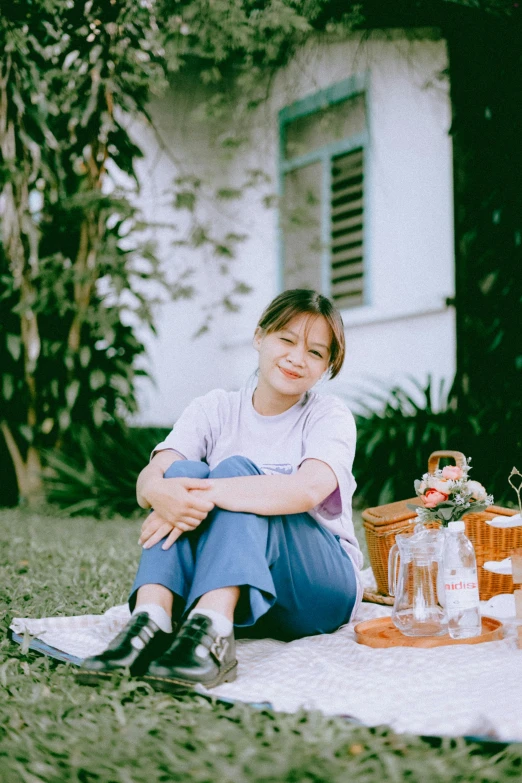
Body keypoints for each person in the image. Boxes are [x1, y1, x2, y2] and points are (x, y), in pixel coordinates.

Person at [77, 289, 363, 692]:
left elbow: (307, 490)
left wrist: (209, 491)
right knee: (182, 470)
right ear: (259, 337)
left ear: (326, 366)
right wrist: (160, 492)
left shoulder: (328, 415)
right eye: (286, 340)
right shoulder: (215, 409)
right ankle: (151, 620)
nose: (297, 358)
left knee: (232, 471)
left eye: (316, 353)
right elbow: (153, 475)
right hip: (246, 599)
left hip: (316, 593)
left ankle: (212, 632)